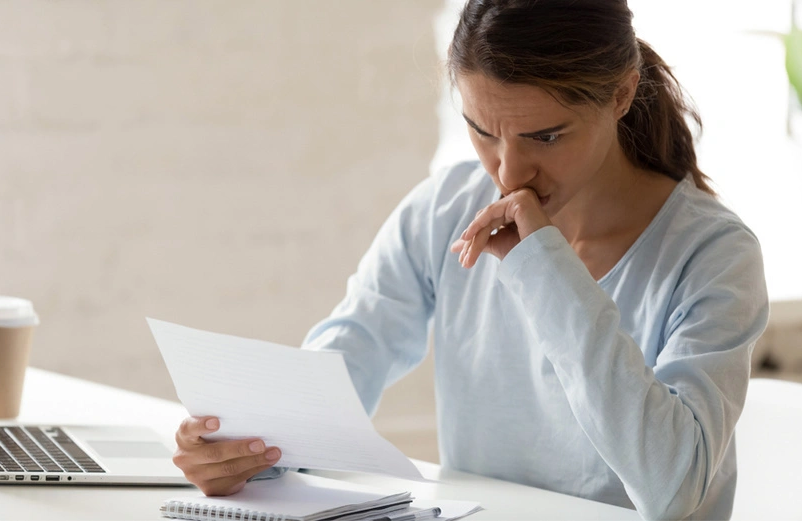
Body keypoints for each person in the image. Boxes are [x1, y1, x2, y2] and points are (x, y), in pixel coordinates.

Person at [170, 1, 769, 519]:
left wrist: (542, 266)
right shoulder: (444, 209)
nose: (507, 173)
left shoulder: (713, 255)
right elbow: (341, 366)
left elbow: (671, 488)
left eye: (546, 136)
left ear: (620, 94)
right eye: (482, 131)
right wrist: (249, 455)